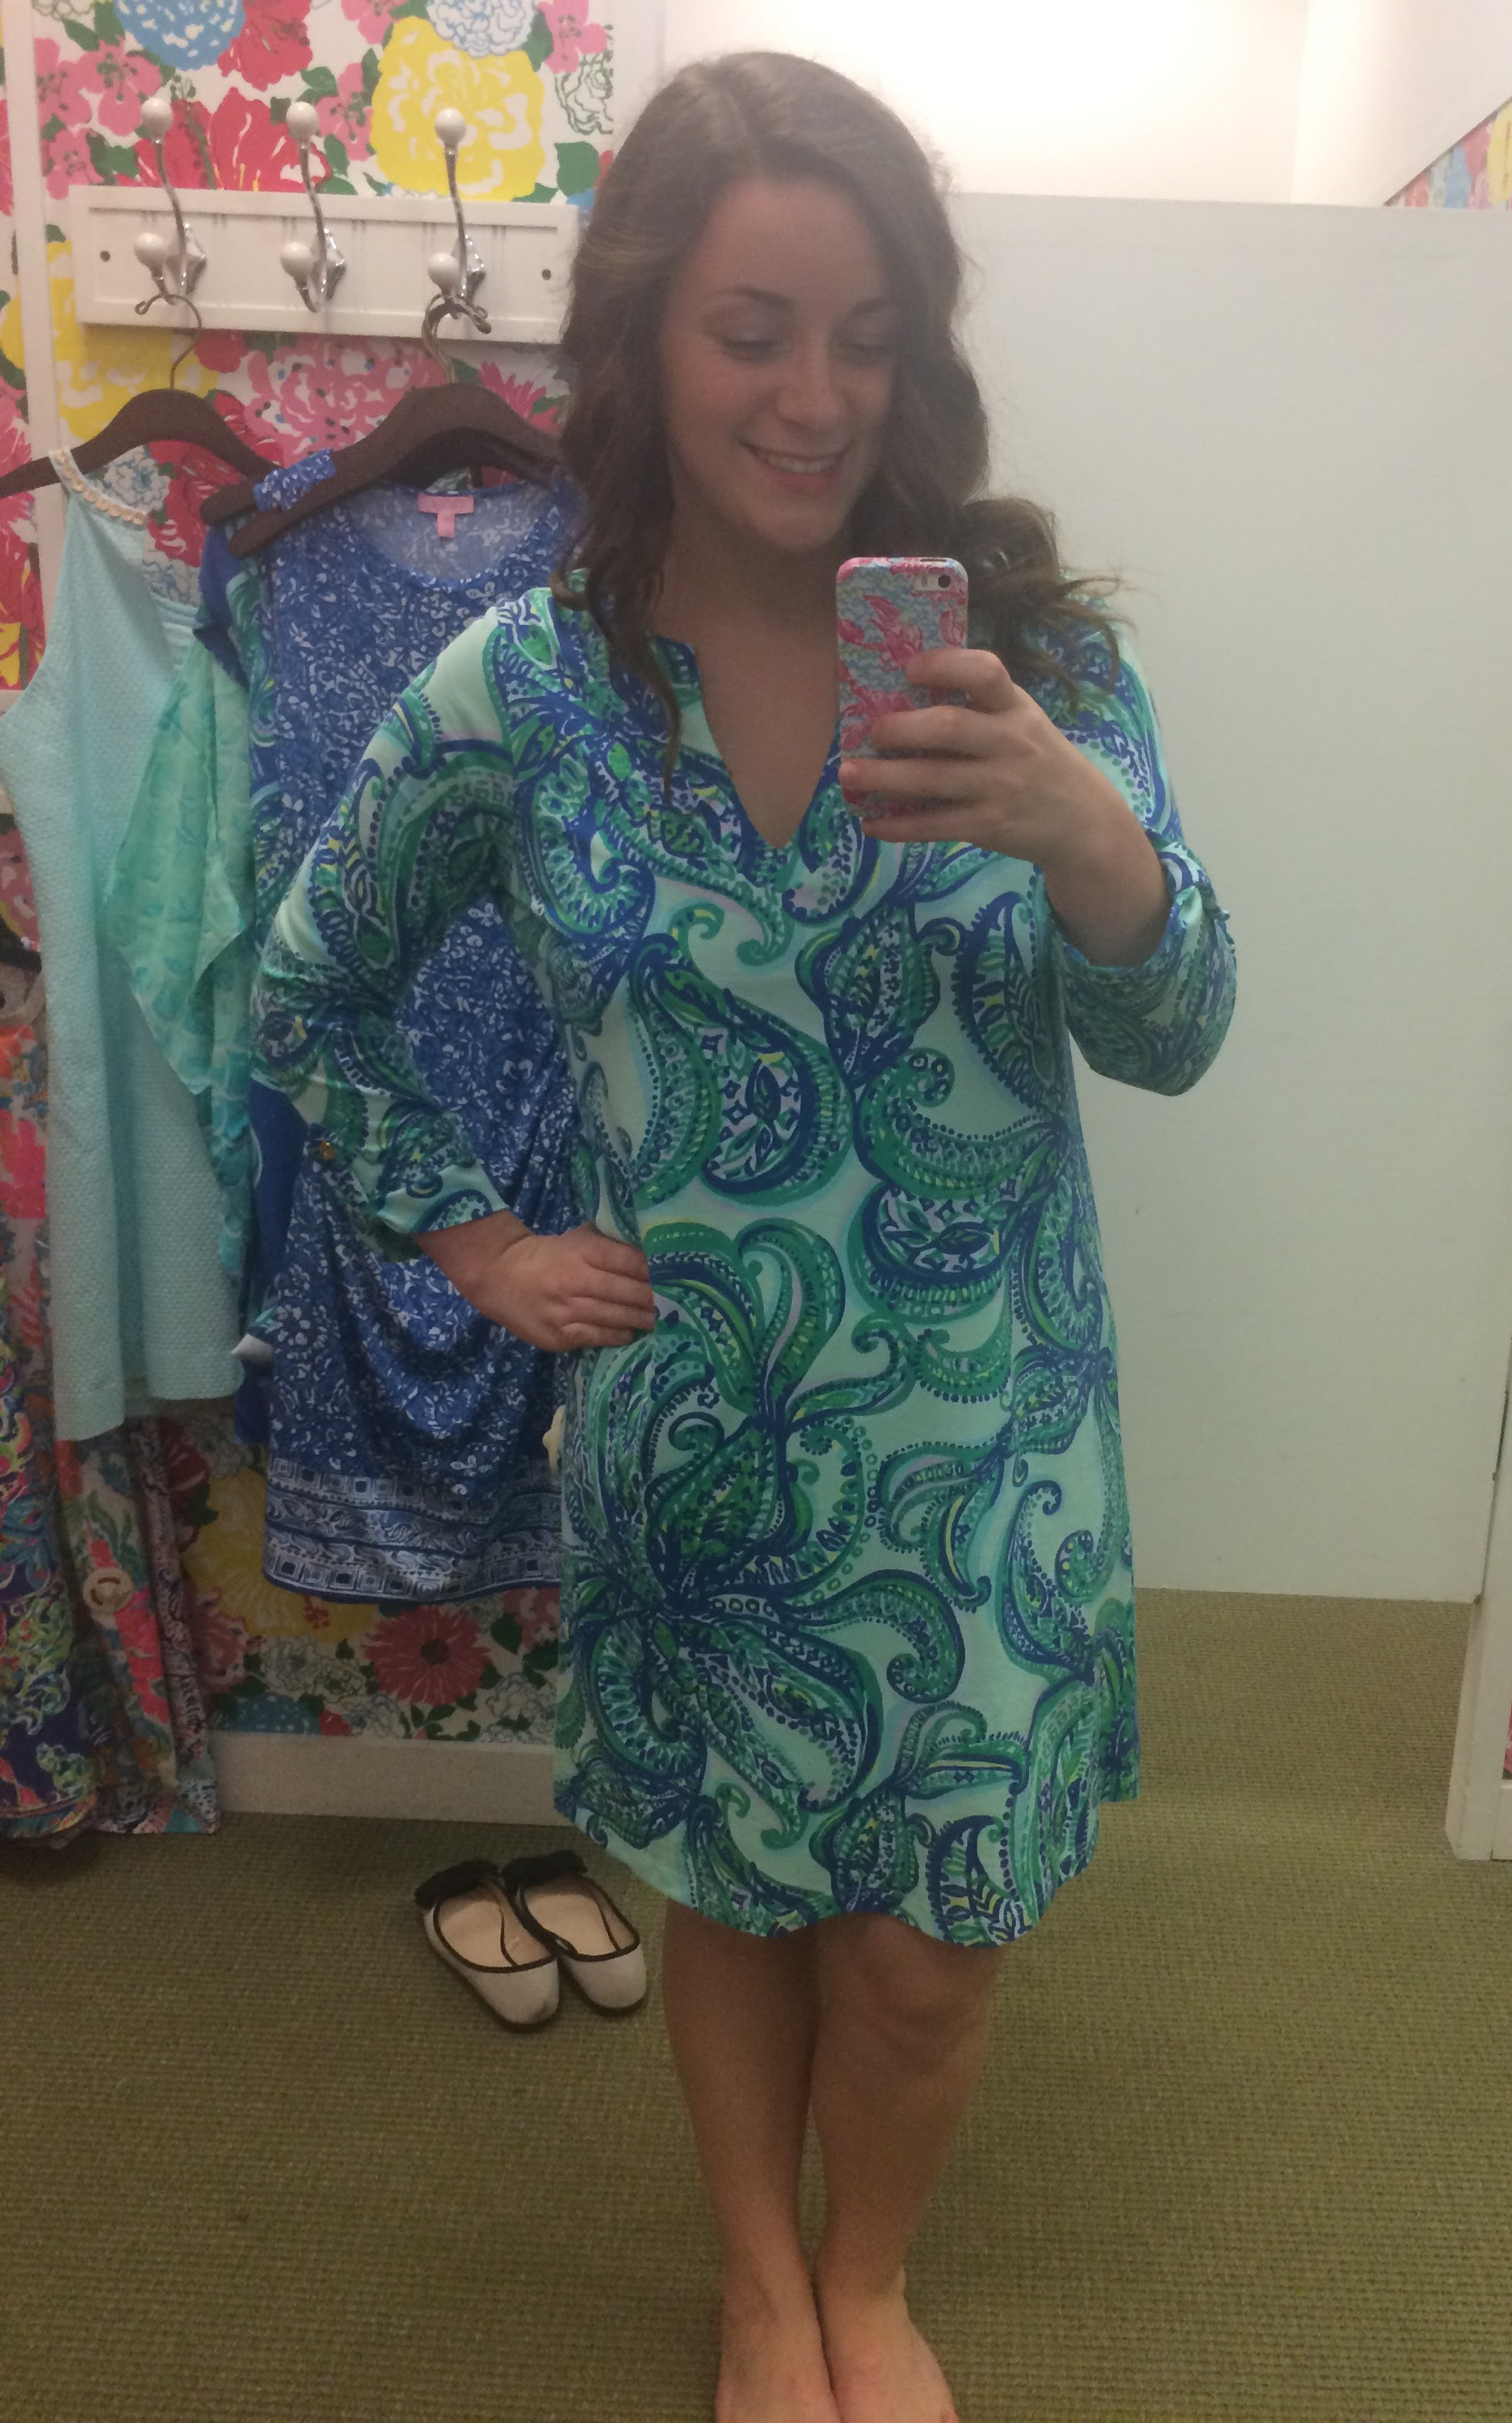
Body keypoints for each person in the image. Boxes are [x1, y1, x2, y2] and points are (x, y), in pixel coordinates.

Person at [254, 48, 1235, 2423]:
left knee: (925, 1951)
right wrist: (478, 1248)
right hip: (696, 1438)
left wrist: (1087, 838)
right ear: (641, 342)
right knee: (734, 1890)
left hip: (984, 1439)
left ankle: (870, 2276)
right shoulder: (525, 691)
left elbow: (1180, 1028)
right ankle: (763, 2292)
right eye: (752, 331)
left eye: (866, 337)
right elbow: (309, 988)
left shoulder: (1035, 666)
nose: (815, 397)